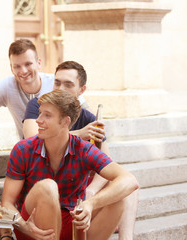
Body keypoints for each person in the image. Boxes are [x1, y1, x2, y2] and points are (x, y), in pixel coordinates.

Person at [23, 61, 139, 240]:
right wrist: (79, 135)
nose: (60, 88)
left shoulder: (88, 117)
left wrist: (92, 192)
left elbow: (107, 160)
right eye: (57, 82)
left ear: (81, 90)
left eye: (68, 84)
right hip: (44, 187)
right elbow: (33, 138)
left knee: (125, 186)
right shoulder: (39, 106)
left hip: (76, 187)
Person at [0, 39, 89, 140]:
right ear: (11, 68)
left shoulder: (57, 83)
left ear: (39, 63)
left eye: (28, 64)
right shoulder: (6, 87)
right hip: (32, 150)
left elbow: (85, 109)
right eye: (17, 66)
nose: (23, 71)